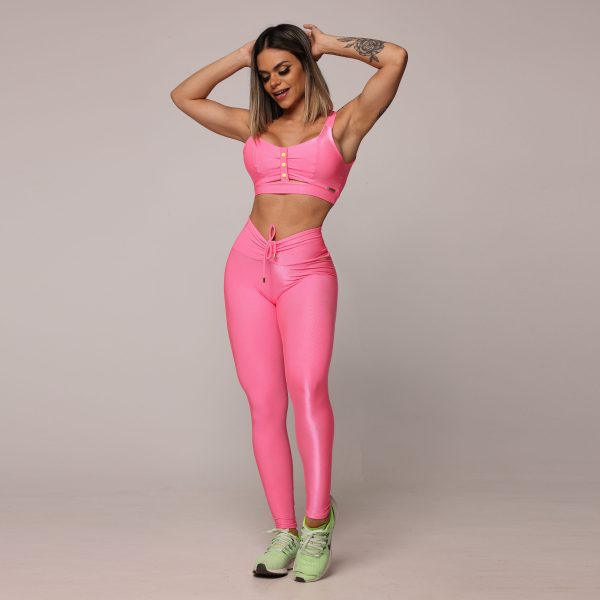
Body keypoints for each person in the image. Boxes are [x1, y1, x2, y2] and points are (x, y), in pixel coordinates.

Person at [170, 22, 407, 583]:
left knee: (308, 388)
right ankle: (284, 530)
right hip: (246, 266)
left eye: (285, 68)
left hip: (306, 269)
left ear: (305, 65)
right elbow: (184, 96)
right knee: (263, 402)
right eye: (266, 74)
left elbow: (395, 58)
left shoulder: (343, 126)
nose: (275, 82)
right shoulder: (254, 128)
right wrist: (243, 54)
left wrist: (328, 44)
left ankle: (318, 523)